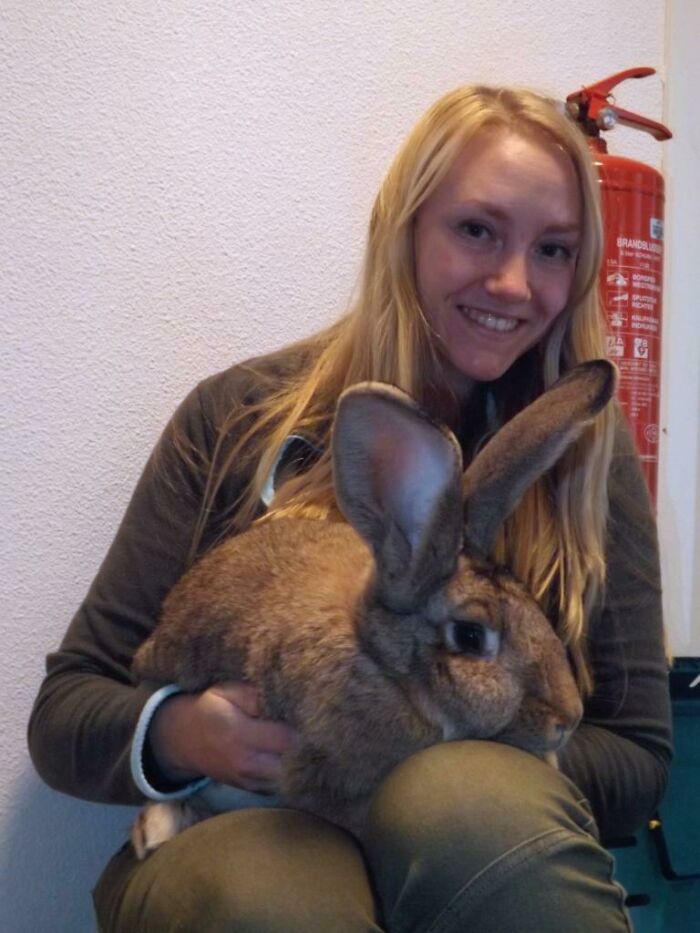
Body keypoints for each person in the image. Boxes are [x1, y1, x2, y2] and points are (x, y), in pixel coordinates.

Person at [28, 84, 672, 932]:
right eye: (477, 230)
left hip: (470, 839)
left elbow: (635, 755)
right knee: (274, 895)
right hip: (245, 825)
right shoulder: (239, 415)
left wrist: (424, 760)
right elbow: (69, 710)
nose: (514, 282)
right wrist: (191, 733)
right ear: (404, 228)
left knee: (469, 806)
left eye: (554, 249)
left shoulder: (579, 447)